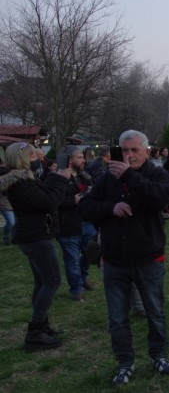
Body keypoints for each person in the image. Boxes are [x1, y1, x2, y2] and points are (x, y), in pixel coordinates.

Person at [79, 130, 169, 385]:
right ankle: (125, 361)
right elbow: (86, 207)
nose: (129, 155)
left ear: (146, 151)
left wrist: (129, 176)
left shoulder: (157, 173)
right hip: (115, 260)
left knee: (155, 312)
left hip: (148, 258)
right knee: (117, 318)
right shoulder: (105, 178)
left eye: (134, 150)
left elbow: (162, 199)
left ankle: (159, 354)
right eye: (125, 150)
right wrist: (111, 208)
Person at [0, 142, 70, 351]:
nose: (37, 158)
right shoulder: (21, 183)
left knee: (41, 282)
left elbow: (42, 195)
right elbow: (48, 202)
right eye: (33, 156)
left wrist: (54, 177)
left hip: (34, 235)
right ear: (23, 159)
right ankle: (35, 331)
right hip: (36, 237)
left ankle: (42, 324)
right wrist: (60, 180)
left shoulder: (26, 179)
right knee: (52, 281)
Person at [55, 147, 94, 301]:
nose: (83, 160)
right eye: (79, 157)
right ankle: (76, 288)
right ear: (70, 160)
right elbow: (51, 201)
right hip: (67, 226)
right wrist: (73, 200)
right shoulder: (56, 178)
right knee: (72, 259)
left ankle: (82, 277)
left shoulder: (84, 177)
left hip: (86, 222)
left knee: (91, 252)